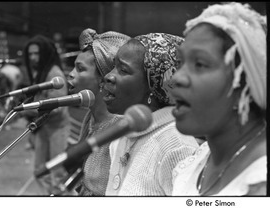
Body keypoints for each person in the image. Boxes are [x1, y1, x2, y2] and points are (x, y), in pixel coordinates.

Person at [170, 2, 267, 196]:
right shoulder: (196, 162)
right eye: (180, 62)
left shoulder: (260, 181)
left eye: (200, 64)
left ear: (243, 85)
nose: (177, 77)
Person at [103, 33, 199, 195]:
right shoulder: (123, 133)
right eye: (114, 66)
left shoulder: (176, 145)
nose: (108, 76)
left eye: (123, 70)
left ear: (153, 87)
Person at [66, 28, 130, 195]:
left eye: (80, 69)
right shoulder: (92, 116)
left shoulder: (119, 129)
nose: (70, 75)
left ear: (104, 79)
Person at [21, 35, 71, 195]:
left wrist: (27, 109)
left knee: (57, 175)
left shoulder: (54, 73)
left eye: (36, 53)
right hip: (44, 127)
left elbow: (58, 108)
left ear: (45, 53)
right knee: (40, 172)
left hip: (58, 128)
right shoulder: (41, 72)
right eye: (30, 54)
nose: (33, 58)